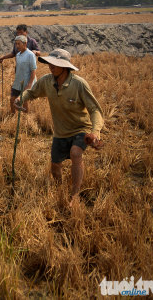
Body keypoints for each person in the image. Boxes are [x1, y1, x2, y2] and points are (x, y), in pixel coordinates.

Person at [14, 49, 104, 207]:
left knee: (75, 153)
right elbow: (32, 93)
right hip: (60, 132)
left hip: (80, 128)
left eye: (55, 64)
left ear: (65, 67)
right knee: (55, 167)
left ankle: (74, 195)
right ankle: (59, 190)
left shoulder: (78, 84)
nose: (51, 66)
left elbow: (95, 110)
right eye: (50, 63)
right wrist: (21, 98)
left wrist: (95, 132)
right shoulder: (47, 81)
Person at [9, 35, 37, 114]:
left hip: (26, 82)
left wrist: (29, 84)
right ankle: (12, 116)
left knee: (24, 101)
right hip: (17, 82)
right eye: (16, 44)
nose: (17, 46)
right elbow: (18, 69)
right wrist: (15, 82)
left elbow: (33, 70)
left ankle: (26, 118)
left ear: (25, 44)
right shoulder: (18, 55)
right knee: (12, 100)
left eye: (19, 44)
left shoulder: (30, 55)